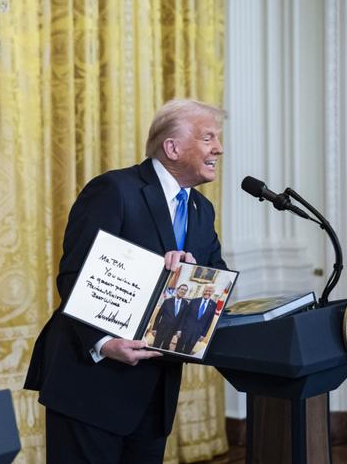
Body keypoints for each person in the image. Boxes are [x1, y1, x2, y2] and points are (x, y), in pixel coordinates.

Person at [25, 99, 227, 463]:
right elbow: (75, 275)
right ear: (173, 147)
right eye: (209, 138)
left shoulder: (201, 209)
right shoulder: (114, 190)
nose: (219, 148)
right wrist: (103, 343)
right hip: (91, 383)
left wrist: (197, 277)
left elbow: (215, 283)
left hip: (154, 393)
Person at [175, 284, 218, 355]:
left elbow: (209, 321)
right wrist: (179, 329)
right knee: (177, 350)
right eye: (206, 290)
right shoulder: (194, 301)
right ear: (203, 290)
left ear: (213, 292)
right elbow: (184, 316)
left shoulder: (213, 305)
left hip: (197, 334)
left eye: (210, 291)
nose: (207, 292)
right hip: (185, 331)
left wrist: (203, 335)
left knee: (187, 353)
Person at [151, 283, 189, 350]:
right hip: (162, 328)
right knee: (156, 346)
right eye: (182, 289)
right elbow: (159, 315)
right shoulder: (167, 301)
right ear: (177, 289)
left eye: (185, 290)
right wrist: (154, 328)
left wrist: (179, 330)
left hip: (172, 330)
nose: (183, 291)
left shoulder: (185, 303)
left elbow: (183, 318)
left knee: (165, 347)